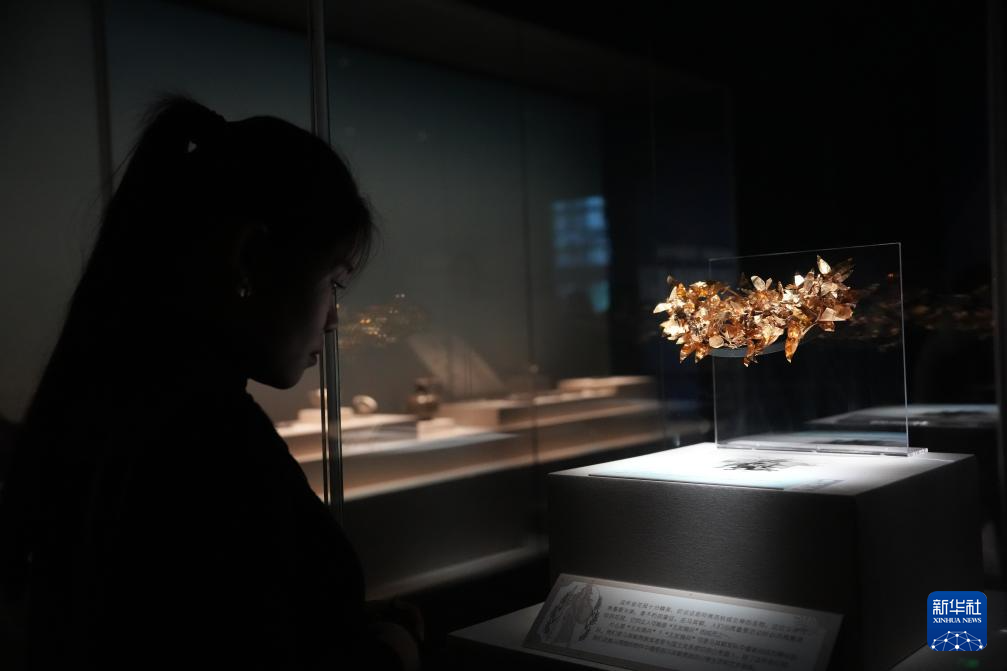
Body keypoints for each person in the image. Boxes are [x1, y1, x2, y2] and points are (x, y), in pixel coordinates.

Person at [0, 97, 421, 669]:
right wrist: (394, 649)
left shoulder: (111, 410)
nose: (332, 318)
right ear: (250, 257)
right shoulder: (214, 448)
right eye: (334, 283)